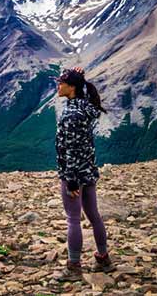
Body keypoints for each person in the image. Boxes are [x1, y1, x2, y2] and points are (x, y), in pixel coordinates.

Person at [53, 67, 116, 282]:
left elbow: (70, 148)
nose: (58, 86)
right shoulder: (86, 106)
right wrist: (77, 75)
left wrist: (70, 180)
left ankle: (73, 267)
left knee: (73, 219)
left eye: (62, 82)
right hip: (89, 169)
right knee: (93, 214)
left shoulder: (71, 114)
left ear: (71, 88)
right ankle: (103, 258)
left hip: (74, 173)